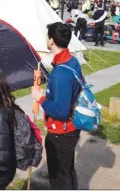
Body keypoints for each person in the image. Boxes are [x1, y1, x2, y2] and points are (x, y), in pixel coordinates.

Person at [32, 22, 83, 190]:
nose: (46, 39)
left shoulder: (61, 72)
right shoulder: (71, 60)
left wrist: (40, 99)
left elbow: (61, 111)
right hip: (70, 129)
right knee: (67, 172)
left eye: (47, 36)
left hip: (62, 132)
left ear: (52, 41)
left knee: (60, 177)